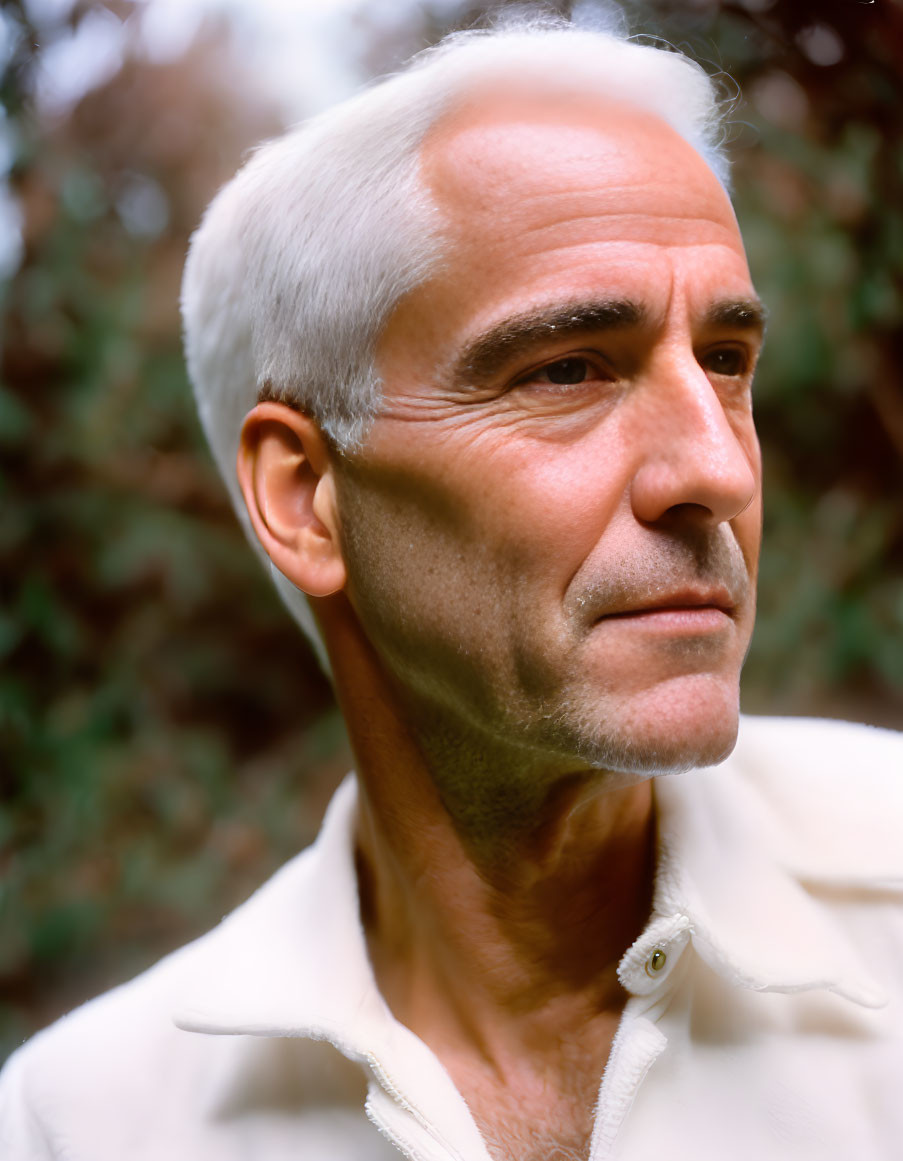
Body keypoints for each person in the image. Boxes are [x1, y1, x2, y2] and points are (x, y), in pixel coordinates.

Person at [2, 18, 902, 1161]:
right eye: (568, 370)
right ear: (306, 496)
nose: (719, 470)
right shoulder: (88, 1125)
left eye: (726, 362)